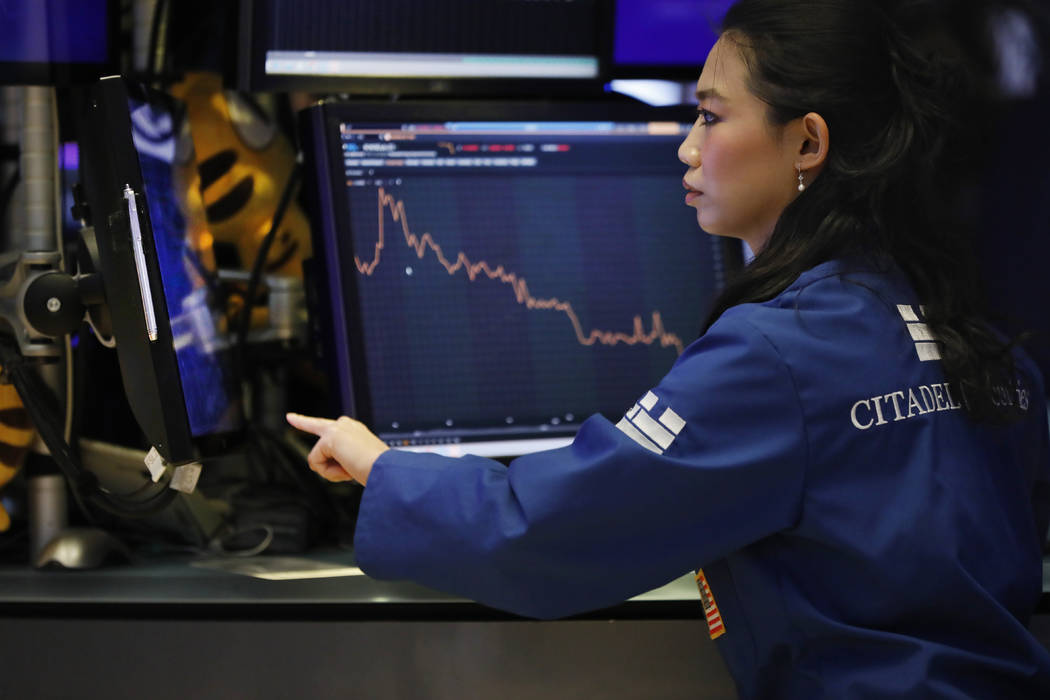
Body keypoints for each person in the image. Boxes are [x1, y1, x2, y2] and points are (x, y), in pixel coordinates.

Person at [288, 0, 1050, 696]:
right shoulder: (984, 344)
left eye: (712, 118)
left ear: (808, 142)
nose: (686, 148)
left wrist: (384, 468)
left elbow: (551, 535)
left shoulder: (774, 356)